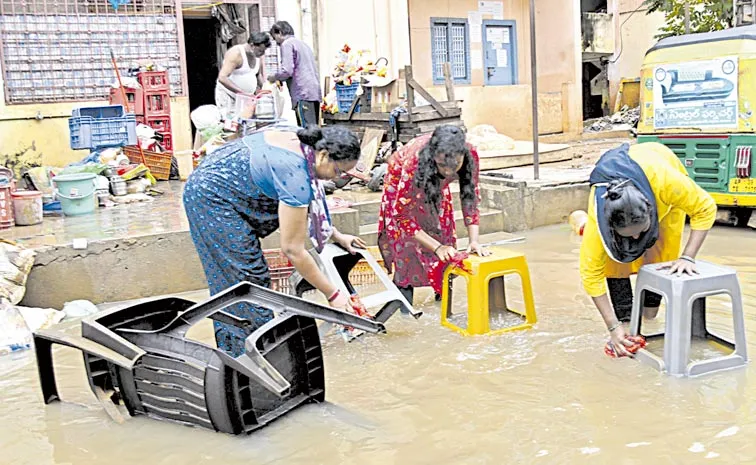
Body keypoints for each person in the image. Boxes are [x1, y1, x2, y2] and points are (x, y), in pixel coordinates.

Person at [183, 125, 367, 356]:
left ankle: (257, 352)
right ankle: (249, 359)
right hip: (211, 198)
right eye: (339, 171)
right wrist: (334, 295)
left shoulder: (306, 143)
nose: (338, 178)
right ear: (323, 155)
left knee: (252, 278)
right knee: (245, 284)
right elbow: (293, 249)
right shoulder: (294, 174)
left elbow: (308, 207)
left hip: (229, 182)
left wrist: (337, 235)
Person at [579, 142, 717, 357]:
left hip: (658, 180)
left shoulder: (668, 183)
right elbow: (591, 275)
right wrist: (613, 327)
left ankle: (650, 315)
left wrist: (688, 257)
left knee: (661, 257)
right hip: (623, 192)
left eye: (640, 232)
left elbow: (705, 208)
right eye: (628, 235)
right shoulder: (598, 223)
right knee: (614, 260)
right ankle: (625, 321)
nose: (635, 238)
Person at [377, 125, 489, 304]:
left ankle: (443, 304)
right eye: (443, 165)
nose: (448, 172)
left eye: (455, 166)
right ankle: (406, 313)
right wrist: (436, 247)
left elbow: (471, 196)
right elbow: (402, 215)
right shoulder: (415, 160)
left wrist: (473, 240)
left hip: (437, 188)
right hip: (402, 187)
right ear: (434, 155)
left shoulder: (470, 154)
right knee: (406, 250)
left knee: (445, 244)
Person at [268, 21, 322, 127]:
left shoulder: (287, 44)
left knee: (307, 132)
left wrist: (273, 77)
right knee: (314, 129)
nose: (276, 43)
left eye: (275, 38)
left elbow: (287, 71)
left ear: (279, 32)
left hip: (302, 92)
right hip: (313, 91)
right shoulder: (303, 44)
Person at [215, 32, 271, 119]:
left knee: (246, 124)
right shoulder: (236, 53)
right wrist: (242, 92)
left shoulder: (258, 56)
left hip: (245, 98)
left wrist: (264, 89)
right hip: (229, 97)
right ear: (252, 45)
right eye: (260, 50)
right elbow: (222, 77)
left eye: (264, 51)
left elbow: (258, 74)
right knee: (232, 124)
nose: (262, 54)